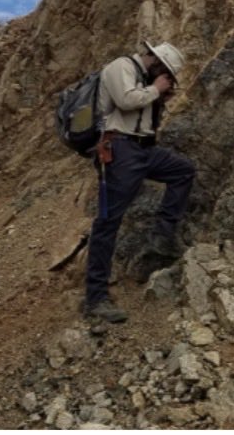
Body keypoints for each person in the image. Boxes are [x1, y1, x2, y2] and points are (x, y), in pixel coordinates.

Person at [83, 41, 195, 323]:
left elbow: (140, 112)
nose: (166, 77)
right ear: (155, 60)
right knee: (108, 222)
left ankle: (162, 235)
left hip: (143, 150)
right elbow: (125, 100)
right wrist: (156, 88)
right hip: (119, 151)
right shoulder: (121, 66)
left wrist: (158, 97)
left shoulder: (144, 80)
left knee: (183, 170)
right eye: (166, 71)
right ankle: (95, 298)